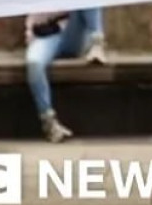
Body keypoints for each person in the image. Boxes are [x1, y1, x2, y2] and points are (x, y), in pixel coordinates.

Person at [24, 8, 107, 143]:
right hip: (45, 35)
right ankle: (48, 122)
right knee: (34, 63)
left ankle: (97, 43)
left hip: (72, 32)